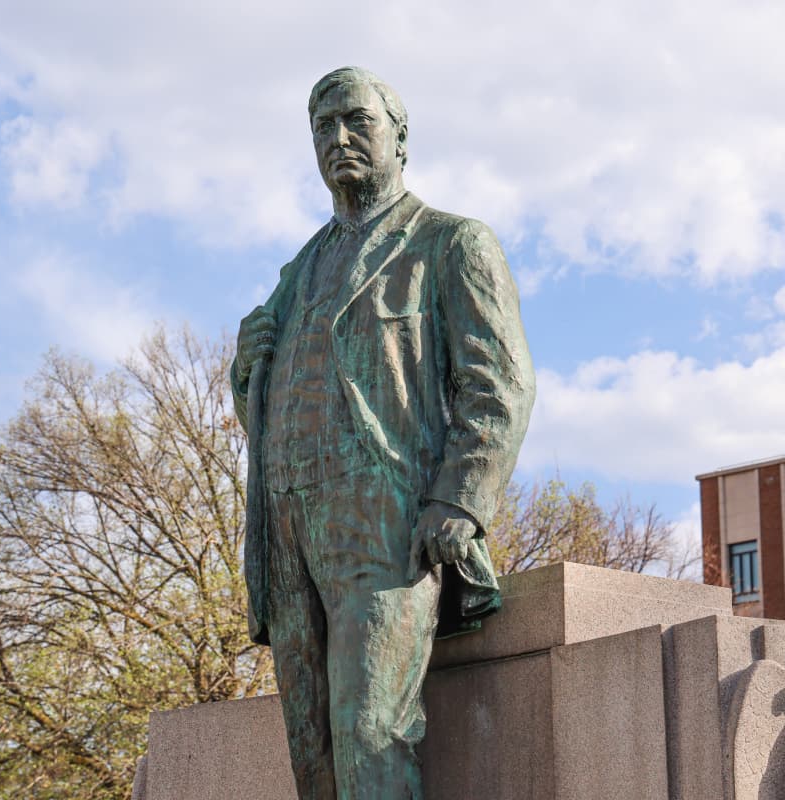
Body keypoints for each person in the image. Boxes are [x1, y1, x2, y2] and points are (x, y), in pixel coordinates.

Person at [232, 66, 535, 800]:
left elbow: (500, 384)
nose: (337, 139)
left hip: (387, 522)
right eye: (322, 128)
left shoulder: (450, 243)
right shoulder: (295, 271)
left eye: (356, 121)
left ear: (400, 136)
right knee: (313, 751)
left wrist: (460, 500)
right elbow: (280, 405)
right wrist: (249, 377)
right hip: (288, 523)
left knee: (371, 727)